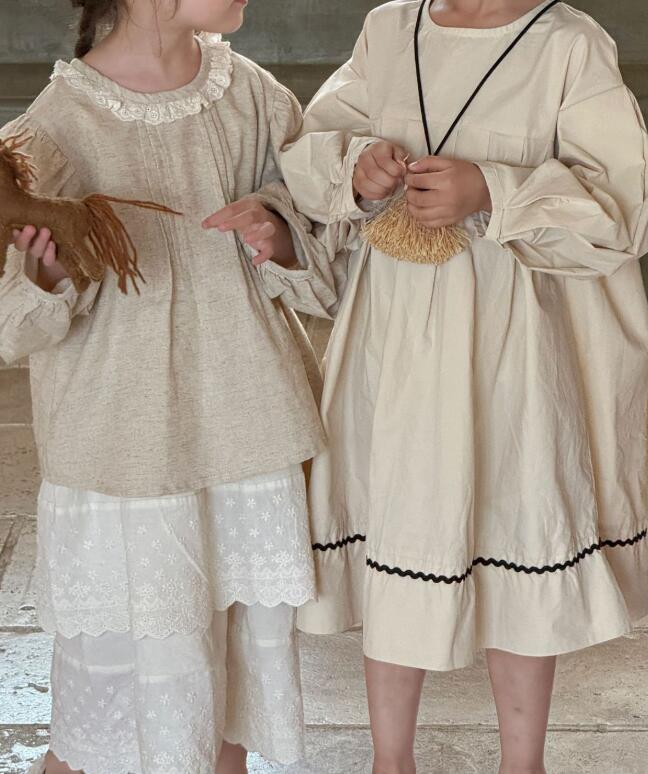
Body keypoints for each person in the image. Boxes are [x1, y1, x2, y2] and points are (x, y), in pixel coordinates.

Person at [266, 1, 648, 772]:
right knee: (396, 517)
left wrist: (493, 190)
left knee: (517, 520)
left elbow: (621, 208)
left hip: (514, 349)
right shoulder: (391, 27)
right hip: (395, 340)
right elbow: (314, 150)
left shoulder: (568, 43)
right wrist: (360, 168)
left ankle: (522, 761)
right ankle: (391, 759)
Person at [0, 0, 335, 772]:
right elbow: (13, 329)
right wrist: (51, 275)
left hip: (246, 433)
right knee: (110, 697)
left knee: (231, 688)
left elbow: (326, 244)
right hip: (128, 456)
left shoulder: (254, 96)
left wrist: (281, 233)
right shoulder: (51, 129)